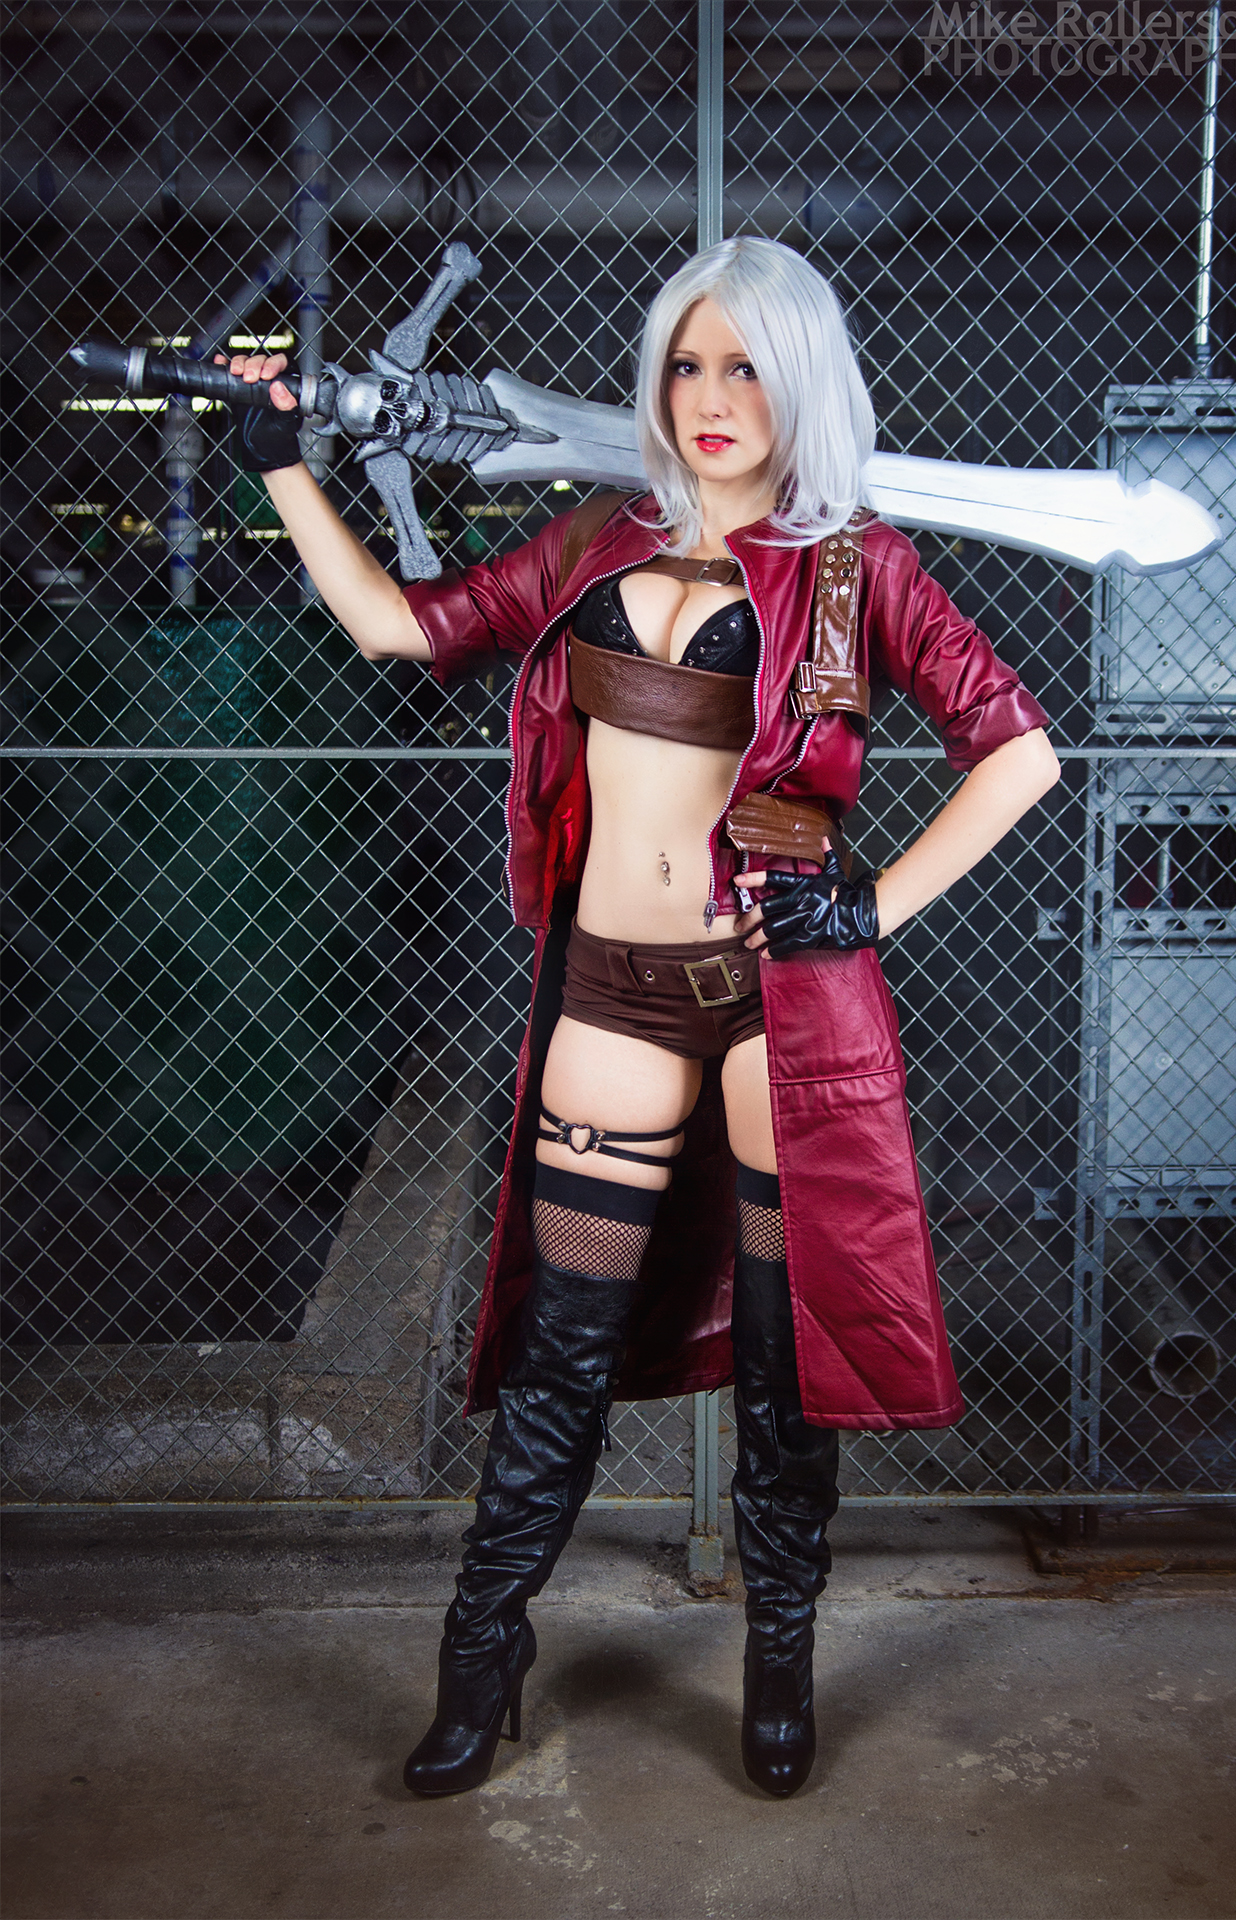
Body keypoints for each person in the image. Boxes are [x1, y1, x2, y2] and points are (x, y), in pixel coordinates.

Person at [220, 236, 1059, 1800]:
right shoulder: (591, 541)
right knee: (563, 1350)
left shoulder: (857, 565)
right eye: (687, 363)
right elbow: (400, 626)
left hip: (774, 1005)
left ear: (801, 382)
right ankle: (484, 1652)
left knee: (785, 1372)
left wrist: (873, 906)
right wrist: (280, 468)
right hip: (611, 987)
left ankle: (779, 1658)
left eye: (746, 366)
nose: (711, 395)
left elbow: (1019, 752)